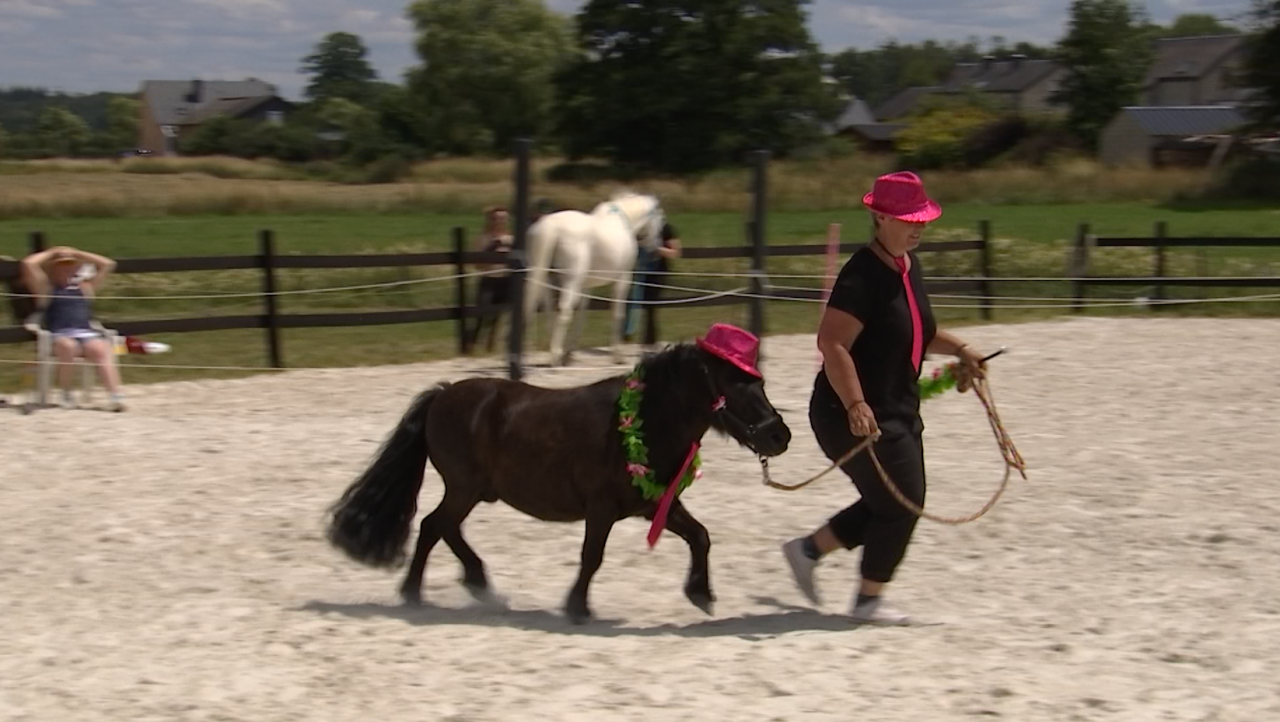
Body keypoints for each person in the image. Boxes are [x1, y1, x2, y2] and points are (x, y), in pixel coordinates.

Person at [781, 171, 987, 625]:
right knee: (904, 501)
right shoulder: (863, 274)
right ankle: (868, 599)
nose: (918, 227)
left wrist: (962, 350)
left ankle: (808, 550)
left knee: (891, 500)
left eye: (921, 219)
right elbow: (831, 343)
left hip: (896, 406)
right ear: (878, 216)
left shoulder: (906, 268)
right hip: (848, 412)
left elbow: (918, 332)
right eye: (907, 219)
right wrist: (856, 404)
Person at [20, 245, 125, 412]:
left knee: (101, 349)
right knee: (68, 347)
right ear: (53, 269)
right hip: (59, 333)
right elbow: (28, 264)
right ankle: (66, 393)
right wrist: (53, 252)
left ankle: (116, 396)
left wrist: (77, 253)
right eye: (62, 265)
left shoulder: (85, 288)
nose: (67, 268)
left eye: (71, 265)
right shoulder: (46, 288)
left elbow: (108, 264)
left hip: (85, 332)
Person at [624, 221, 682, 346]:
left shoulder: (665, 228)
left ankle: (649, 340)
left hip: (658, 273)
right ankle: (626, 334)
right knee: (629, 302)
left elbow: (675, 252)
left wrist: (656, 250)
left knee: (650, 307)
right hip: (640, 271)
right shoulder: (639, 230)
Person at [467, 206, 514, 353]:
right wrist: (491, 250)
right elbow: (477, 264)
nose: (499, 221)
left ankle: (491, 343)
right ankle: (472, 342)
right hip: (488, 279)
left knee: (497, 315)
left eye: (502, 219)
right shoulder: (482, 238)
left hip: (505, 280)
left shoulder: (511, 239)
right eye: (496, 218)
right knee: (481, 311)